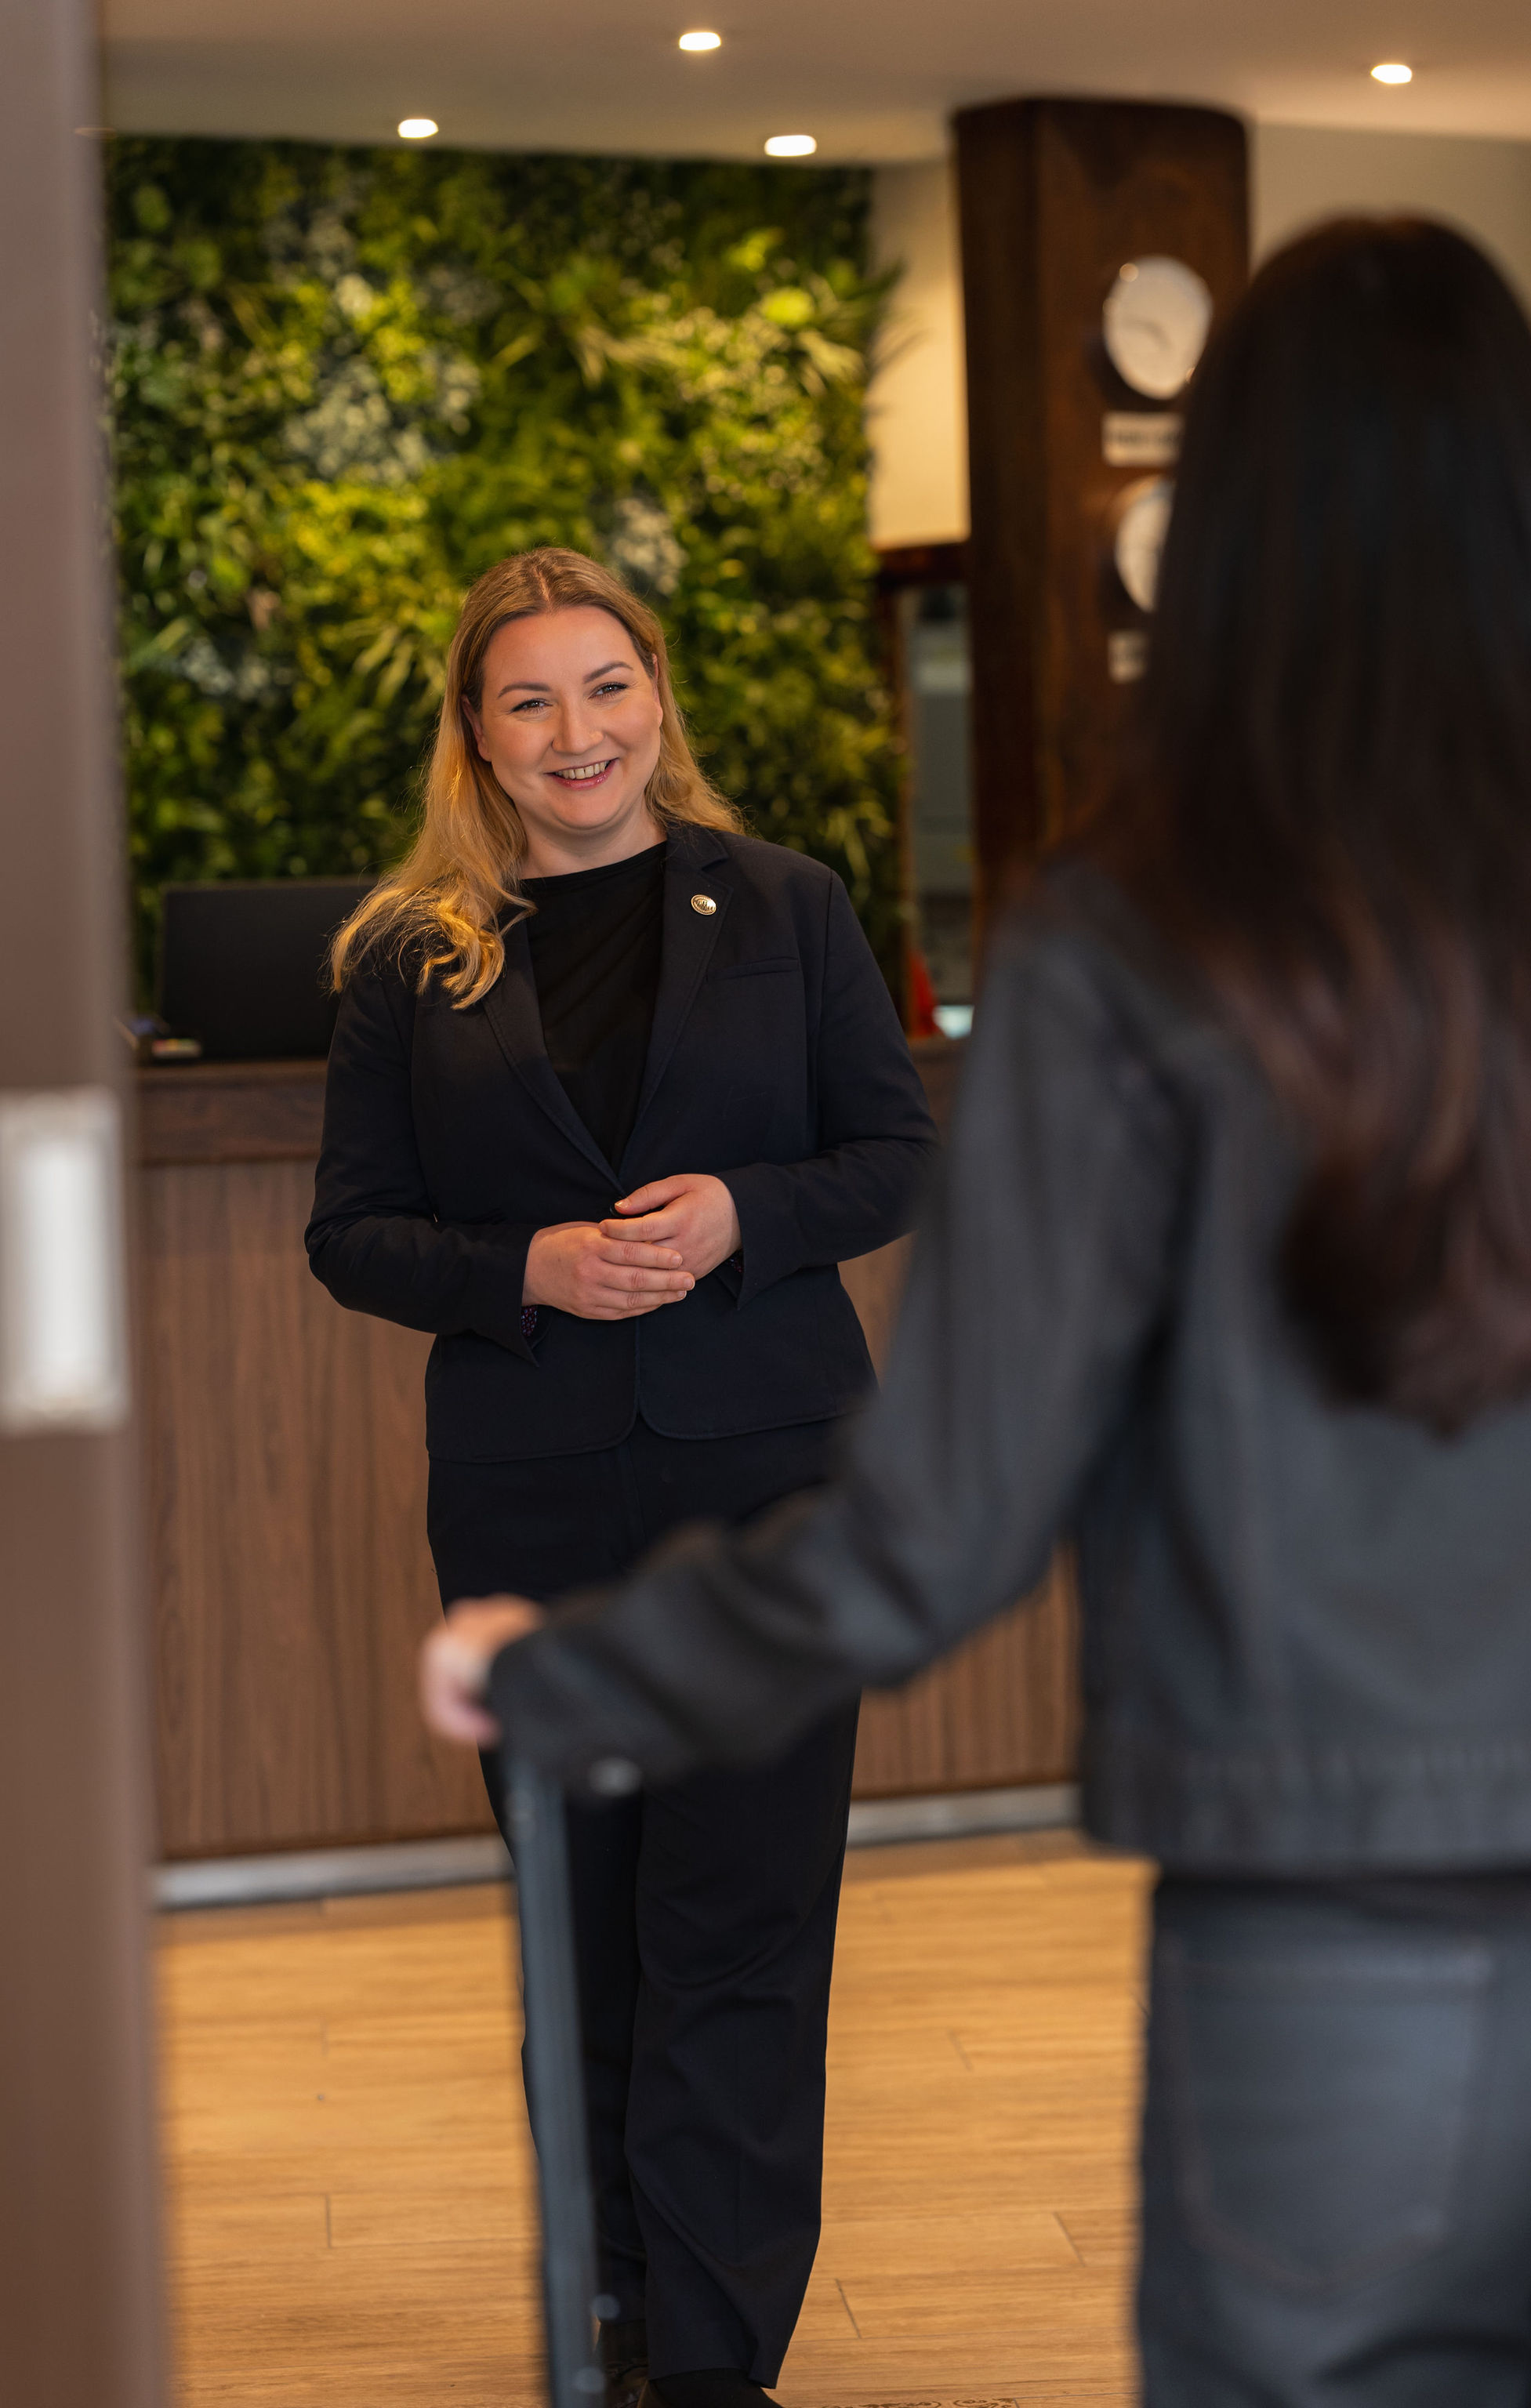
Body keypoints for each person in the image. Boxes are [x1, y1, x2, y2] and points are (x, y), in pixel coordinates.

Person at [421, 223, 1531, 2406]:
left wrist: (583, 1668)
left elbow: (935, 1531)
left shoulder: (1145, 934)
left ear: (1226, 525)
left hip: (1334, 1909)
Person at [307, 546, 936, 2408]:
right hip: (533, 1504)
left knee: (737, 1926)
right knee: (580, 1932)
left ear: (656, 699)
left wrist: (747, 1209)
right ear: (478, 741)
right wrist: (527, 1270)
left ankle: (714, 2367)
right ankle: (611, 2336)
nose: (575, 731)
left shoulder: (794, 907)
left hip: (769, 1491)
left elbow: (892, 1156)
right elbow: (351, 1236)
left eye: (604, 686)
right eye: (529, 700)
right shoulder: (410, 959)